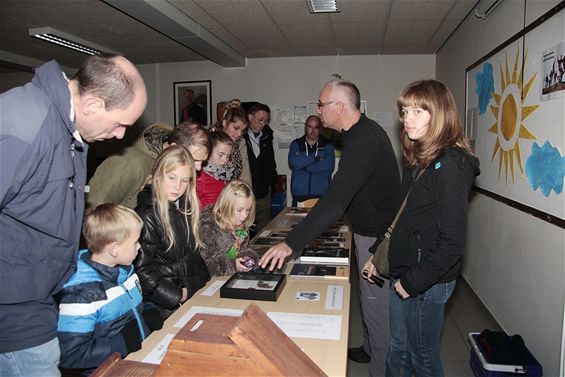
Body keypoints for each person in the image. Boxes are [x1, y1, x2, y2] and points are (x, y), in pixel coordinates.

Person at [0, 53, 146, 376]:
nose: (122, 135)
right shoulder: (26, 121)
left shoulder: (67, 130)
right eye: (121, 123)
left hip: (39, 301)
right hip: (15, 314)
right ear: (93, 105)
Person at [260, 80, 400, 377]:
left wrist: (291, 243)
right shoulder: (357, 133)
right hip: (367, 227)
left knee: (376, 307)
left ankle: (381, 369)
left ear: (339, 107)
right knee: (367, 298)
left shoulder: (362, 140)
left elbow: (336, 199)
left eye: (321, 104)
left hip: (376, 236)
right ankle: (370, 349)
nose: (318, 110)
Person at [363, 79, 480, 377]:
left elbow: (453, 240)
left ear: (439, 114)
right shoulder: (422, 157)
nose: (407, 119)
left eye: (417, 111)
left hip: (425, 279)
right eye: (404, 111)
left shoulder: (452, 165)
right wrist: (377, 253)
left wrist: (412, 282)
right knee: (398, 348)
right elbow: (401, 214)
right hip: (405, 269)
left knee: (422, 357)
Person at [57, 204, 163, 373]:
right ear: (114, 249)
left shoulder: (125, 272)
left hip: (138, 359)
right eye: (135, 242)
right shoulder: (82, 295)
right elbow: (72, 354)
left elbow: (131, 309)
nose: (139, 247)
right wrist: (121, 344)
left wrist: (148, 312)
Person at [134, 145, 210, 319]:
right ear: (158, 175)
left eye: (185, 180)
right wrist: (177, 295)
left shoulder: (184, 207)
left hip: (190, 294)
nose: (178, 186)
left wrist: (205, 282)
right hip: (163, 306)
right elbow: (142, 271)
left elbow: (193, 257)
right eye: (172, 177)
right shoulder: (147, 215)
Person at [86, 120, 210, 210]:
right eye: (194, 160)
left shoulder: (181, 170)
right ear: (174, 147)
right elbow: (94, 206)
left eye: (202, 162)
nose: (198, 168)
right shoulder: (130, 162)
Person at [199, 180, 259, 276]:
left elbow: (239, 251)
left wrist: (247, 258)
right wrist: (233, 265)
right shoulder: (208, 226)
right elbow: (206, 264)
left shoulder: (240, 225)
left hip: (232, 279)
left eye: (248, 210)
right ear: (226, 205)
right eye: (239, 210)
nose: (244, 216)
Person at [244, 102, 277, 232]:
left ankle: (262, 253)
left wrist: (271, 184)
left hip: (263, 193)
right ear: (250, 117)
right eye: (260, 119)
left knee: (264, 230)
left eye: (266, 121)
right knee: (243, 229)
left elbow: (271, 163)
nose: (262, 124)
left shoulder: (267, 136)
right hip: (246, 193)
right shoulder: (241, 136)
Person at [288, 115, 335, 206]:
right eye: (310, 127)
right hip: (299, 196)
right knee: (297, 221)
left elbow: (329, 164)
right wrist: (316, 159)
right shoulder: (296, 144)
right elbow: (294, 162)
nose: (313, 131)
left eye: (316, 127)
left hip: (322, 196)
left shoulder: (327, 145)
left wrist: (306, 167)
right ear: (305, 127)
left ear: (320, 129)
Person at [196, 129, 234, 209]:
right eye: (220, 155)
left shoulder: (224, 175)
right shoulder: (201, 177)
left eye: (228, 156)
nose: (225, 160)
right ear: (208, 152)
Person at [219, 99, 252, 186]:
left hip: (234, 194)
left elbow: (245, 176)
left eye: (242, 130)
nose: (239, 134)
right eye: (236, 128)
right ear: (224, 123)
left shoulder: (241, 142)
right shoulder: (210, 140)